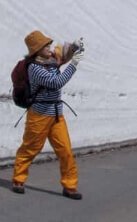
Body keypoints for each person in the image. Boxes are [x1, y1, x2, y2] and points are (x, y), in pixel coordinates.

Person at [12, 30, 84, 200]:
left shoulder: (51, 59)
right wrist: (74, 64)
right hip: (39, 115)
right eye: (46, 45)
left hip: (56, 114)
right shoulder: (34, 68)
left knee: (65, 150)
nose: (50, 47)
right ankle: (18, 179)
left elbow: (63, 53)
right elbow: (55, 83)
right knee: (30, 148)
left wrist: (74, 47)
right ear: (37, 49)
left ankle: (70, 186)